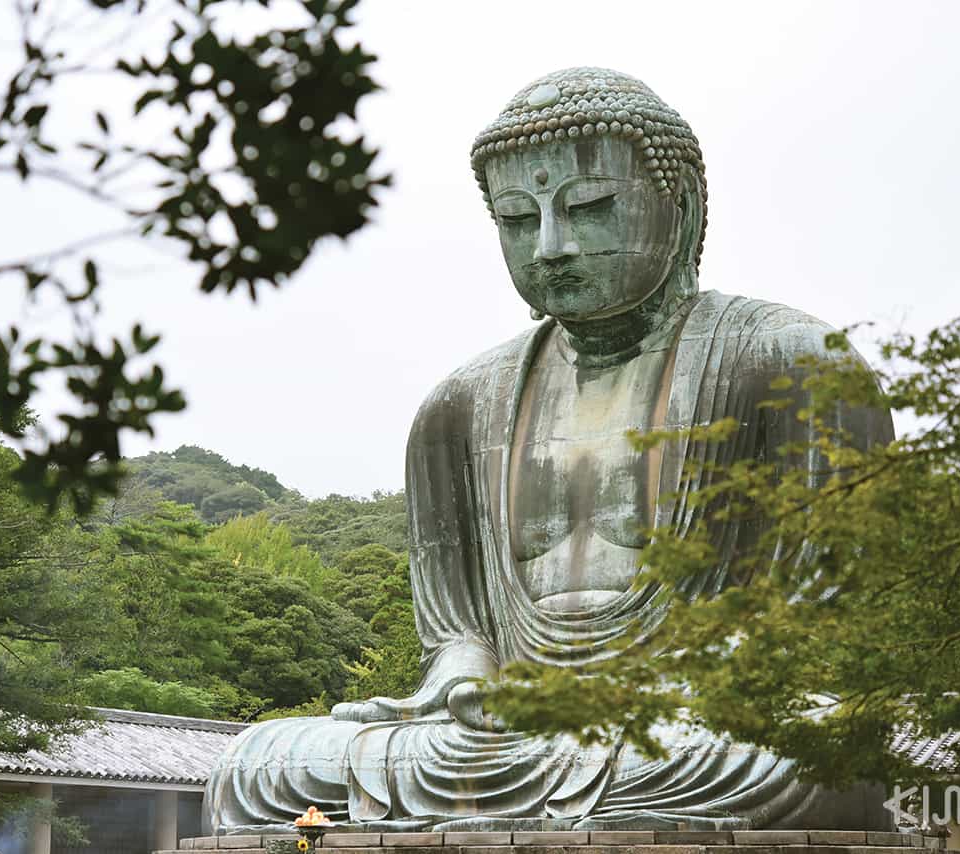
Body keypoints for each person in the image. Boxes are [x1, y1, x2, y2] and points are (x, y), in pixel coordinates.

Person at [204, 67, 894, 832]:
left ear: (684, 207)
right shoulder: (458, 407)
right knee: (257, 765)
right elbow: (460, 630)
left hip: (702, 723)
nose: (551, 247)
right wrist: (461, 673)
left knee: (818, 747)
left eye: (590, 208)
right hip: (507, 734)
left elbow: (819, 621)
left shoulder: (790, 361)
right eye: (516, 220)